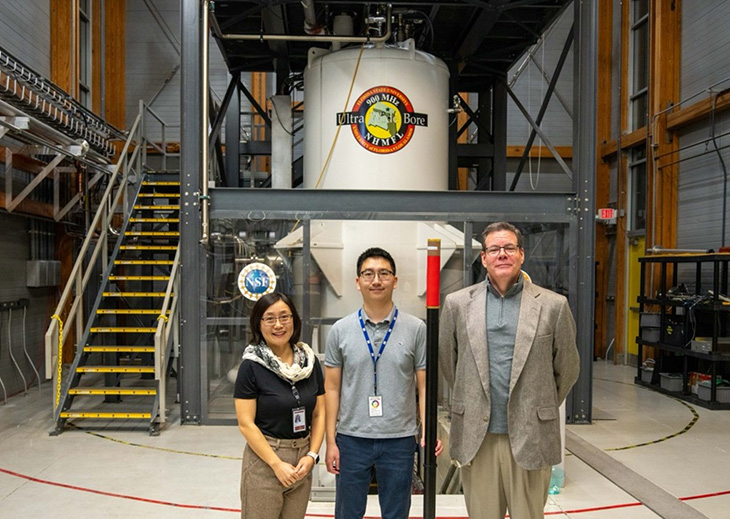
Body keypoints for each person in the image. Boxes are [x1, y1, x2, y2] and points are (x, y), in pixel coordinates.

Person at [439, 222, 580, 519]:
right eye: (494, 249)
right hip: (479, 436)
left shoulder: (553, 306)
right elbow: (450, 365)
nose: (502, 254)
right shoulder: (458, 304)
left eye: (509, 248)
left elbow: (567, 368)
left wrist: (537, 404)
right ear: (484, 258)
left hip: (531, 435)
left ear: (521, 254)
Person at [324, 247, 442, 519]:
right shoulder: (340, 330)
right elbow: (331, 388)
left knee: (396, 513)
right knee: (347, 513)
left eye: (383, 273)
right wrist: (331, 441)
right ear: (358, 282)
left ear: (395, 280)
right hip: (352, 439)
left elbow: (425, 385)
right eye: (368, 274)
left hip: (399, 440)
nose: (376, 280)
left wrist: (427, 429)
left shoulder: (416, 329)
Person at [234, 293, 325, 519]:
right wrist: (276, 464)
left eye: (285, 317)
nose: (278, 325)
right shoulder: (251, 366)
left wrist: (312, 455)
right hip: (266, 461)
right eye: (269, 318)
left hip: (302, 460)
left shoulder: (309, 362)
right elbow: (246, 424)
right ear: (259, 324)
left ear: (294, 320)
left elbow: (319, 413)